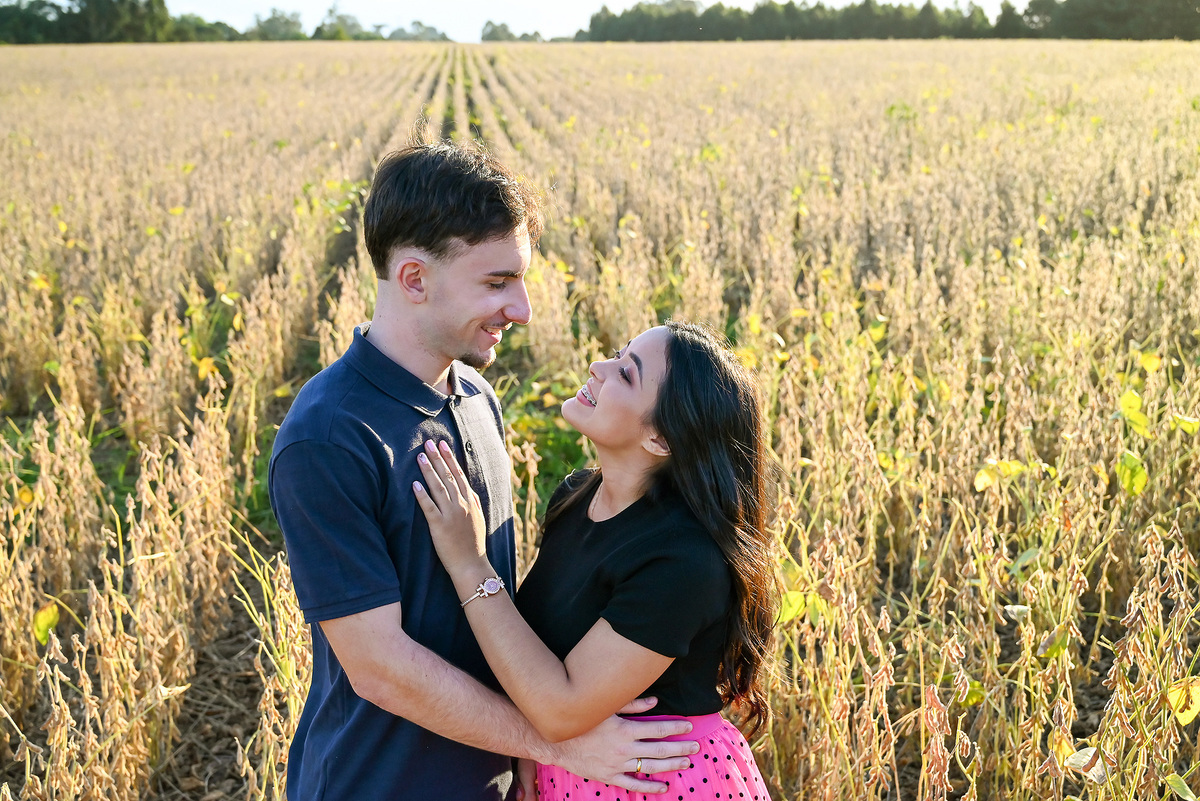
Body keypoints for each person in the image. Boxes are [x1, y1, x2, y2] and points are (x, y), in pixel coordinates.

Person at [268, 143, 699, 801]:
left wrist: (524, 750)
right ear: (414, 279)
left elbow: (494, 597)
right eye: (497, 283)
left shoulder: (476, 397)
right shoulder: (329, 436)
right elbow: (380, 668)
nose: (522, 309)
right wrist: (552, 743)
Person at [413, 321, 779, 801]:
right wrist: (530, 748)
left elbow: (561, 709)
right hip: (574, 768)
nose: (598, 366)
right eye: (617, 353)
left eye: (626, 373)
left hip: (660, 781)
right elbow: (541, 656)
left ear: (661, 440)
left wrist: (470, 563)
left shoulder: (683, 562)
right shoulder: (576, 497)